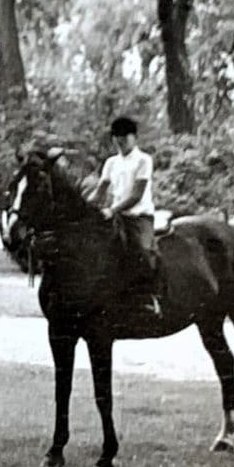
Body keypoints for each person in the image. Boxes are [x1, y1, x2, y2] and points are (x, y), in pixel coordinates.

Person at [94, 116, 161, 317]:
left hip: (139, 217)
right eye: (116, 137)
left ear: (134, 138)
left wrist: (112, 210)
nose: (120, 141)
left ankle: (150, 297)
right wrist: (85, 208)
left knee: (142, 250)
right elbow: (100, 192)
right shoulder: (111, 162)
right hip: (116, 217)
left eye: (125, 137)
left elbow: (136, 195)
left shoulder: (143, 160)